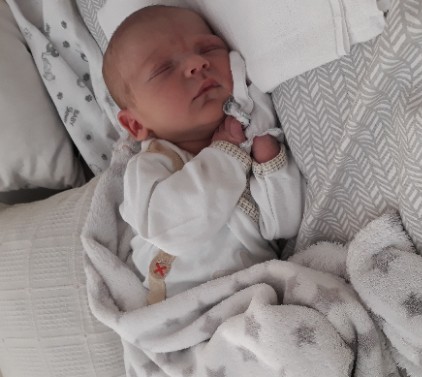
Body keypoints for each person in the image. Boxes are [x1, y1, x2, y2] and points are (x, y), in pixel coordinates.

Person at [102, 5, 304, 301]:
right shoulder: (149, 167)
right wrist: (224, 154)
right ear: (135, 124)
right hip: (180, 308)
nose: (197, 63)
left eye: (209, 49)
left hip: (257, 297)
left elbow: (284, 226)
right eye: (163, 69)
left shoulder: (246, 145)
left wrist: (271, 166)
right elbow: (169, 229)